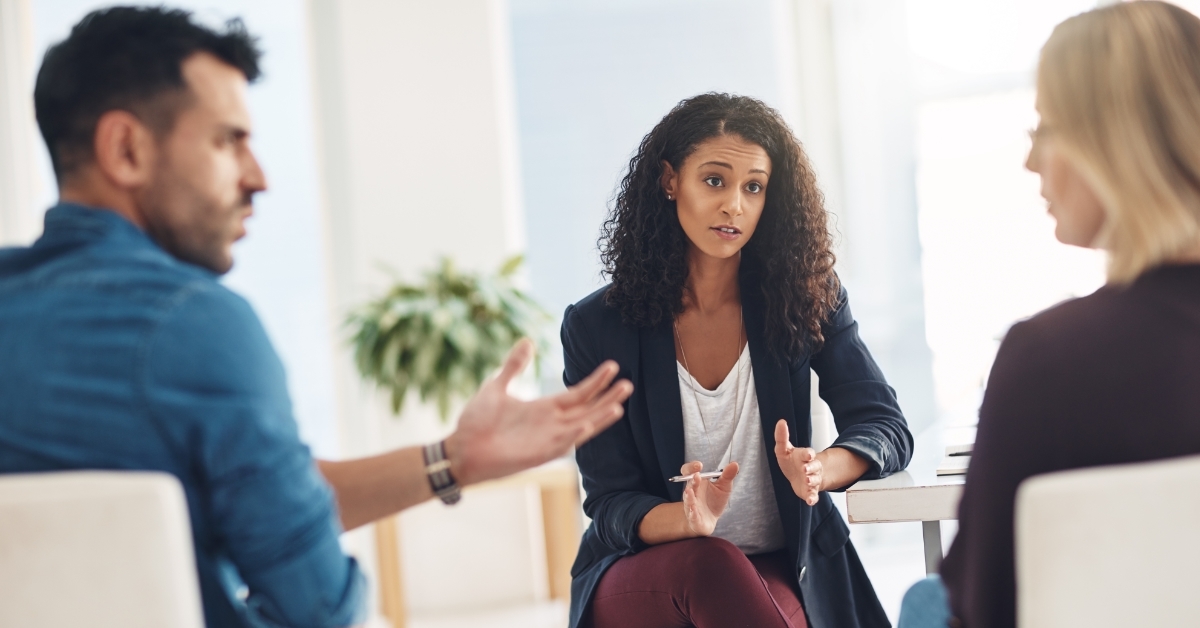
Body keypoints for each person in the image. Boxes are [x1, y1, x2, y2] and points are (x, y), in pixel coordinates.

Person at [0, 7, 632, 628]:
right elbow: (317, 611)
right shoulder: (193, 325)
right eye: (229, 141)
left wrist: (454, 458)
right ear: (127, 149)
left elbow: (253, 499)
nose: (260, 178)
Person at [898, 3, 1200, 627]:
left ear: (1114, 140)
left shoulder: (1049, 360)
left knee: (927, 602)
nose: (1031, 161)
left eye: (1045, 128)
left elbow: (985, 609)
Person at [561, 93, 913, 628]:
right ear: (669, 180)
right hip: (646, 572)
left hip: (776, 561)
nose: (735, 205)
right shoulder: (597, 327)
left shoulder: (806, 296)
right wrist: (684, 518)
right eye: (714, 180)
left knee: (738, 584)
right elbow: (610, 504)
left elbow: (884, 425)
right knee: (712, 562)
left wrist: (821, 470)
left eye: (754, 187)